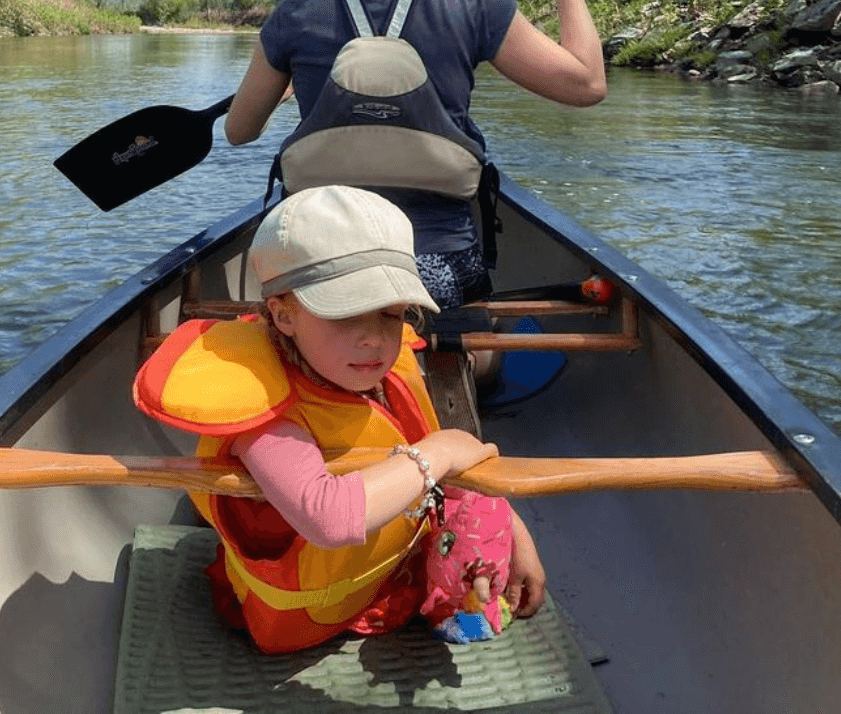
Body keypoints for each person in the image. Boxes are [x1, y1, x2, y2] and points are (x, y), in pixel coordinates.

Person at [133, 185, 546, 654]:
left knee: (483, 505)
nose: (373, 338)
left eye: (391, 314)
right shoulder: (266, 413)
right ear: (283, 314)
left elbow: (432, 462)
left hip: (384, 573)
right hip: (312, 615)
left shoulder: (376, 370)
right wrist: (442, 450)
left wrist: (516, 534)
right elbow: (328, 518)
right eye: (346, 314)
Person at [224, 0, 606, 311]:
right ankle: (465, 357)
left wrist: (295, 88)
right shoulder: (472, 2)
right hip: (437, 268)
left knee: (319, 323)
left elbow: (239, 130)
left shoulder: (297, 12)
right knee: (479, 350)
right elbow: (587, 83)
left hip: (318, 271)